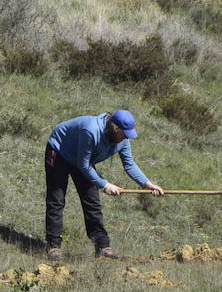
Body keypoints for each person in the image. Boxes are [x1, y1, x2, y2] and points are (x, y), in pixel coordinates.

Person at [44, 109, 164, 260]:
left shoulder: (122, 140)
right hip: (60, 150)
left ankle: (102, 247)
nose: (126, 137)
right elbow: (84, 164)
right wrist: (105, 185)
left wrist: (147, 184)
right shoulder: (91, 130)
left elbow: (129, 165)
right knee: (57, 199)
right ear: (115, 128)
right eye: (124, 133)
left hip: (82, 160)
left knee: (92, 202)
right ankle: (54, 246)